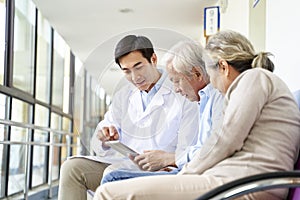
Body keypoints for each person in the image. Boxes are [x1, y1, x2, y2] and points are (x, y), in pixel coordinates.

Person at [93, 30, 300, 200]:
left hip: (244, 184)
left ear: (223, 67)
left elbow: (225, 141)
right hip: (235, 180)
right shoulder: (255, 82)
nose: (212, 84)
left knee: (108, 192)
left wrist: (184, 174)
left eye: (211, 75)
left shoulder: (254, 79)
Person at [58, 35, 199, 200]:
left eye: (138, 67)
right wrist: (104, 137)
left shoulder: (182, 91)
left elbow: (190, 147)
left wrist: (166, 160)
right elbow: (99, 141)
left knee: (113, 175)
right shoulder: (123, 96)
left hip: (163, 170)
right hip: (127, 164)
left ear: (153, 59)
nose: (135, 77)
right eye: (127, 71)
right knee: (72, 168)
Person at [100, 40, 224, 184]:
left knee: (113, 178)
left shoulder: (216, 97)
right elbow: (201, 147)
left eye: (177, 81)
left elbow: (214, 149)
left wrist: (169, 159)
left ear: (197, 74)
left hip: (197, 175)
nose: (176, 88)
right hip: (184, 169)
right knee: (108, 173)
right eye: (127, 71)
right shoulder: (203, 99)